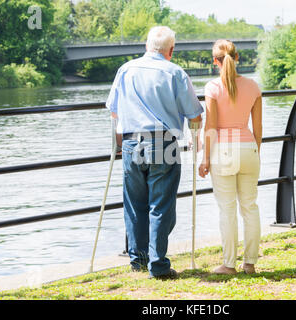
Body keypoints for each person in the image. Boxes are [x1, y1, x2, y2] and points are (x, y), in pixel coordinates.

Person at [105, 26, 203, 279]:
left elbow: (114, 111)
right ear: (171, 50)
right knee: (160, 205)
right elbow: (195, 114)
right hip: (163, 143)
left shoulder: (125, 70)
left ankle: (138, 260)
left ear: (146, 46)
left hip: (130, 143)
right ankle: (158, 265)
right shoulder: (175, 73)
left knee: (135, 204)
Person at [199, 39, 262, 275]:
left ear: (216, 61)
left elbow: (211, 127)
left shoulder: (213, 88)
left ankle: (228, 264)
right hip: (248, 148)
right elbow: (258, 128)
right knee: (250, 207)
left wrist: (205, 158)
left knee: (227, 209)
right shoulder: (254, 87)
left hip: (224, 150)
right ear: (237, 59)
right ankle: (250, 263)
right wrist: (256, 153)